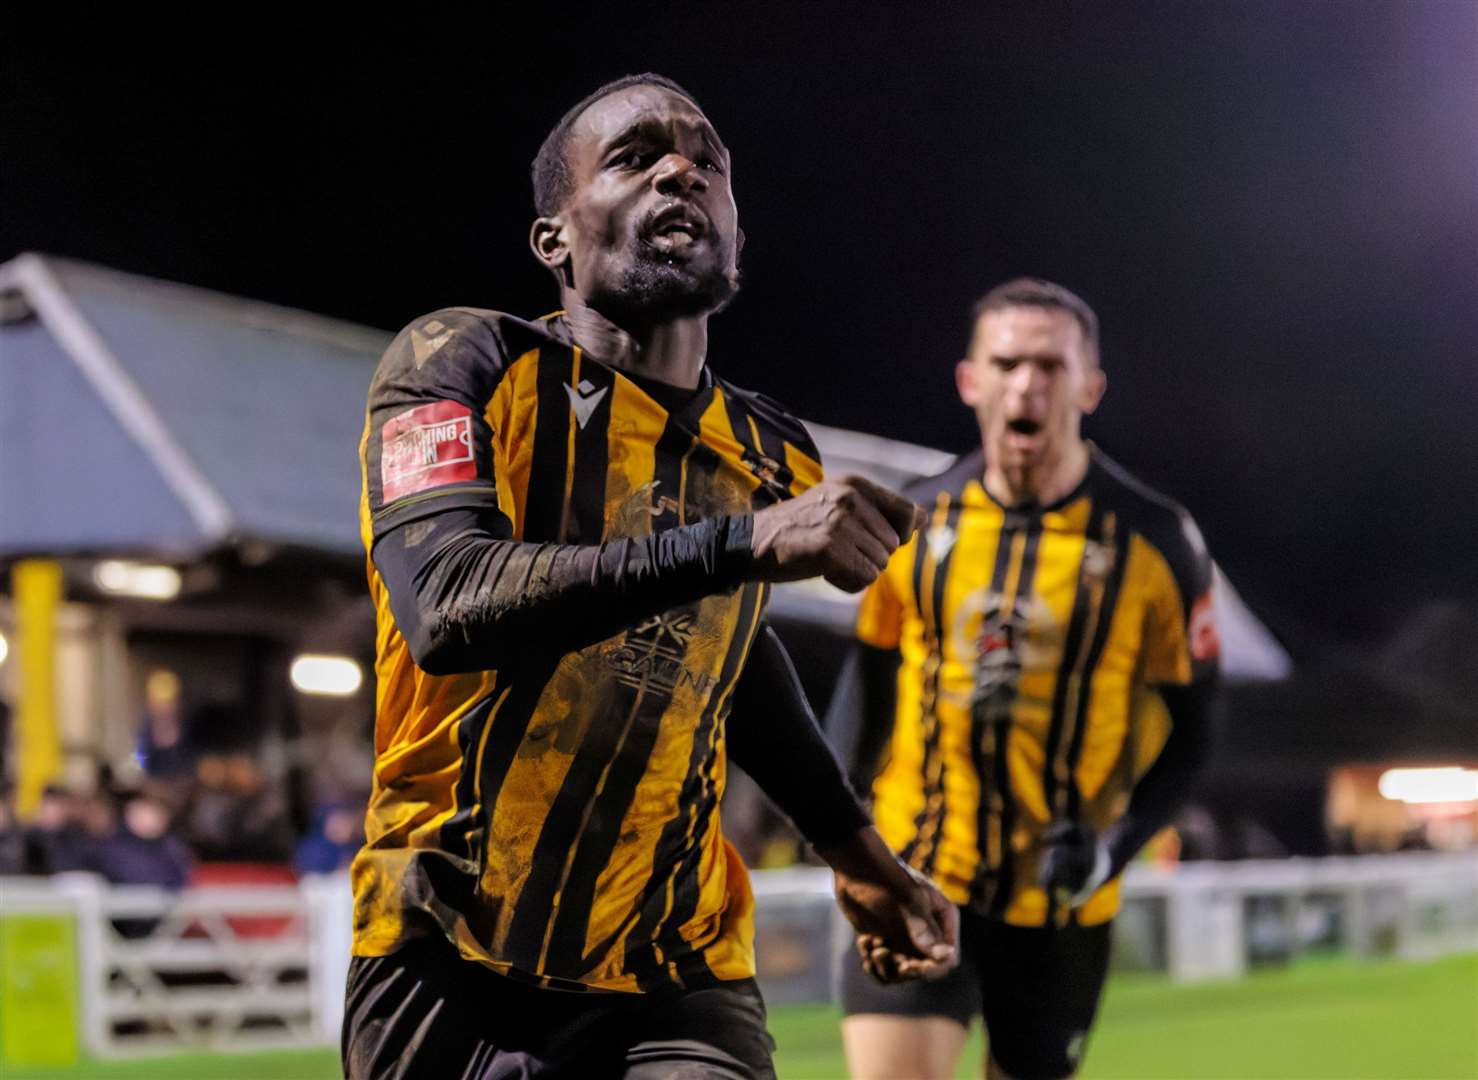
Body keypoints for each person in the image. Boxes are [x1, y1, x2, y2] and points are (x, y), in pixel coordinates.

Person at [343, 74, 957, 1080]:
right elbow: (446, 605)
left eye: (706, 164)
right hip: (447, 948)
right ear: (556, 241)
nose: (681, 169)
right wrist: (742, 544)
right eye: (633, 157)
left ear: (736, 232)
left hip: (676, 961)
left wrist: (860, 857)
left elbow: (732, 662)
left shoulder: (768, 452)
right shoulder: (462, 360)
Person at [833, 279, 1221, 1080]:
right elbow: (861, 702)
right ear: (971, 381)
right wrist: (849, 847)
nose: (1027, 385)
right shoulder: (914, 522)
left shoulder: (1157, 542)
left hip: (1062, 907)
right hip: (917, 877)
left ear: (1090, 386)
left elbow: (1194, 739)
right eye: (1007, 363)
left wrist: (1112, 852)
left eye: (1050, 365)